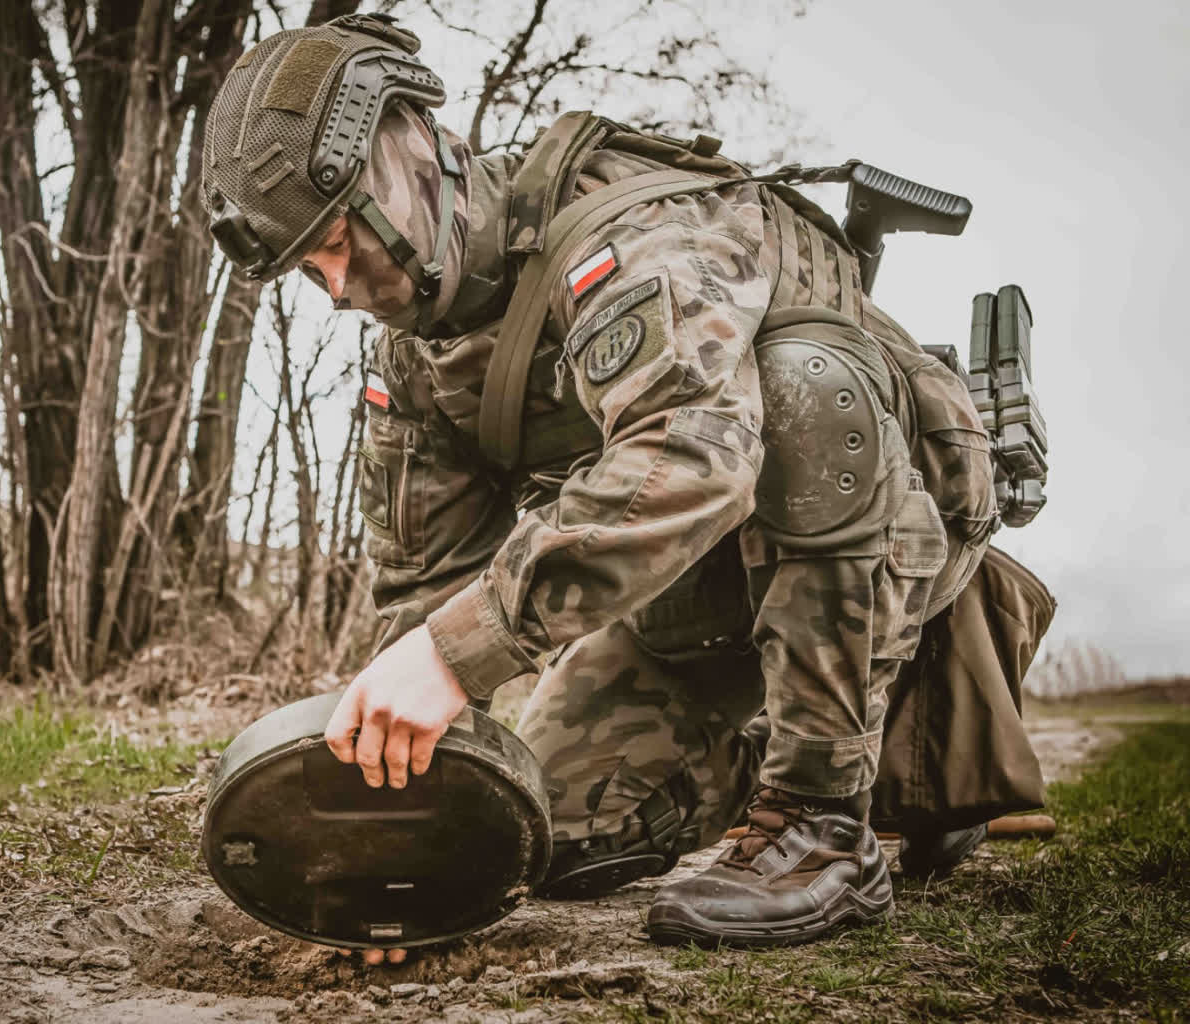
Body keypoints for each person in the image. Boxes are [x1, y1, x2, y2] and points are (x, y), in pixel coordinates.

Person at [199, 13, 1022, 950]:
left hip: (880, 536)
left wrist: (458, 654)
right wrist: (399, 829)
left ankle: (821, 819)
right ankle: (906, 766)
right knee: (531, 831)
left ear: (406, 168)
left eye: (340, 243)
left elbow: (693, 456)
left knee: (804, 387)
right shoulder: (420, 360)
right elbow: (425, 587)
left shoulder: (635, 233)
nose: (339, 288)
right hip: (687, 603)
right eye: (311, 271)